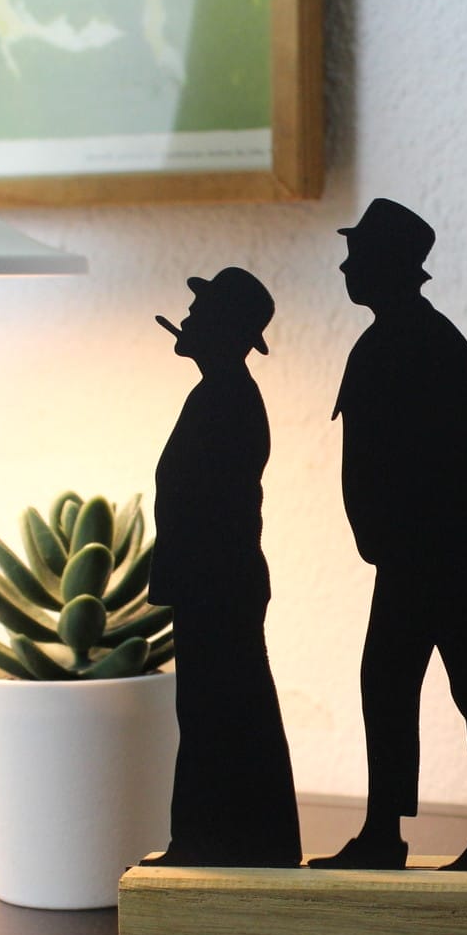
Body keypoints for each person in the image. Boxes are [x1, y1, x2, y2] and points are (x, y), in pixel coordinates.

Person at [311, 199, 467, 871]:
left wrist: (427, 501)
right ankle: (389, 830)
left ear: (387, 265)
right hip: (412, 551)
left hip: (435, 550)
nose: (346, 267)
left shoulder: (427, 338)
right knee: (394, 684)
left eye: (357, 256)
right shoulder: (389, 337)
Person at [146, 267, 302, 868]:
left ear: (222, 328)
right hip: (212, 583)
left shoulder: (226, 398)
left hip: (217, 586)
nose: (186, 318)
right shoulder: (218, 393)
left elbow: (212, 503)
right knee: (220, 711)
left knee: (218, 713)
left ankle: (211, 840)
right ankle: (228, 839)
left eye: (200, 311)